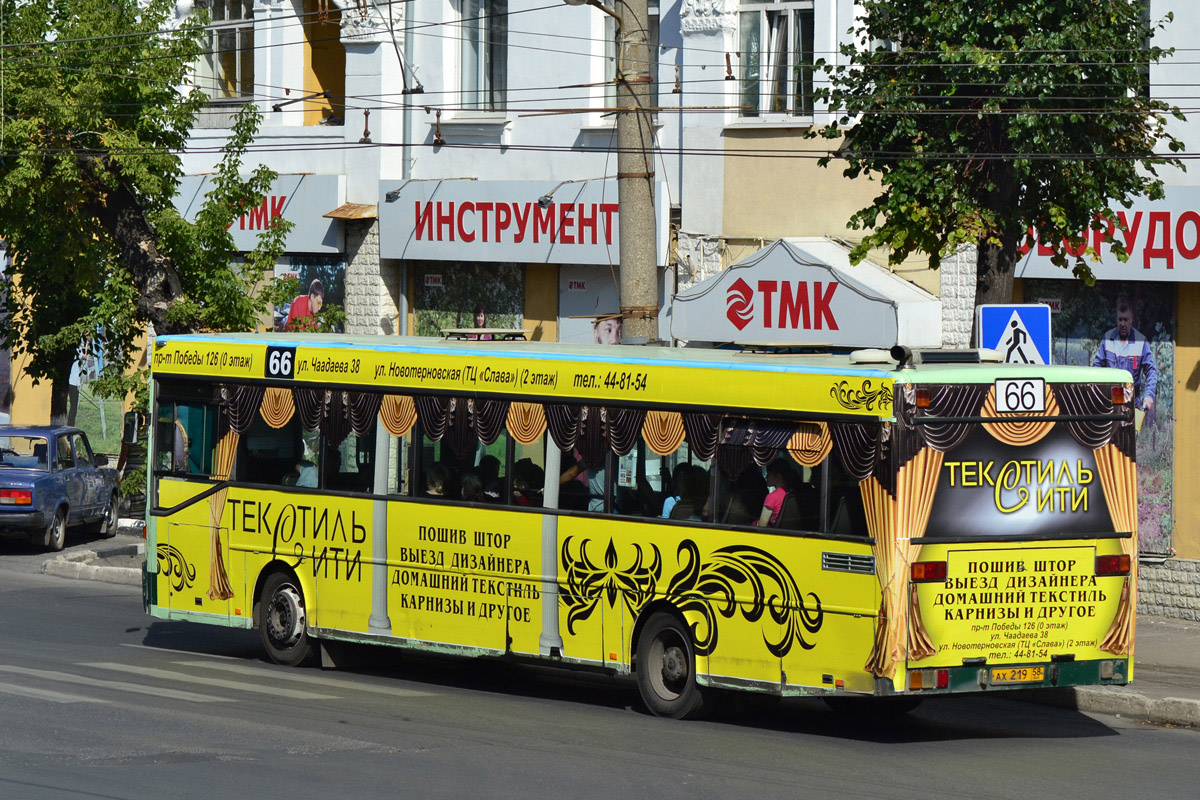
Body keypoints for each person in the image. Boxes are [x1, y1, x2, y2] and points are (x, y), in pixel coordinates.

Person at [1093, 293, 1158, 413]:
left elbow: (1151, 370)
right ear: (1116, 319)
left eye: (1126, 320)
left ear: (1132, 319)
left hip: (1132, 406)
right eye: (1120, 319)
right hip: (1110, 406)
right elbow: (1096, 367)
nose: (1122, 324)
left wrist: (1148, 395)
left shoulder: (1140, 341)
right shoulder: (1107, 339)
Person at [756, 459, 794, 527]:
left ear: (778, 477)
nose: (766, 476)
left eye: (769, 474)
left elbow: (761, 526)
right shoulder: (791, 492)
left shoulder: (772, 497)